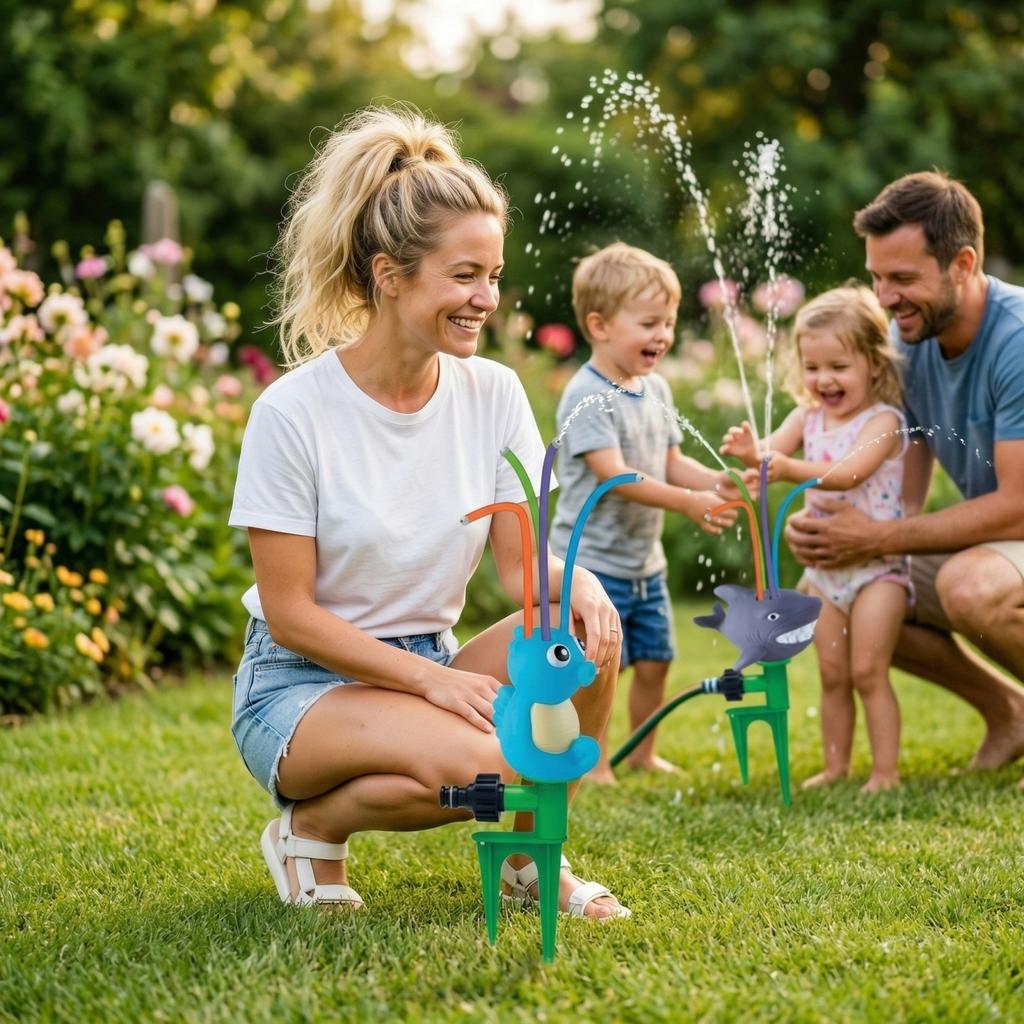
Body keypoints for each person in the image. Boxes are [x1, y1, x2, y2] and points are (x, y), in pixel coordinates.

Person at [228, 106, 631, 917]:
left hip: (426, 665)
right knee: (491, 765)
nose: (487, 297)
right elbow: (290, 612)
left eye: (493, 274)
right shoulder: (293, 412)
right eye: (464, 275)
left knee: (577, 640)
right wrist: (430, 684)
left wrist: (576, 582)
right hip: (299, 687)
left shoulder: (494, 393)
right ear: (388, 274)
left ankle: (528, 860)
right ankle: (311, 829)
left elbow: (524, 573)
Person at [785, 171, 1024, 787]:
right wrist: (837, 533)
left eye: (903, 279)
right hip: (1006, 538)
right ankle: (1007, 711)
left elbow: (1018, 508)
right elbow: (907, 448)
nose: (885, 298)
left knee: (967, 585)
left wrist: (881, 538)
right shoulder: (912, 338)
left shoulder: (1015, 341)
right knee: (856, 583)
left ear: (963, 264)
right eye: (876, 277)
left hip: (1016, 527)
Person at [548, 242, 742, 781]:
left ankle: (643, 752)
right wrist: (689, 504)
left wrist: (716, 482)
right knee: (596, 669)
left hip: (644, 565)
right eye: (649, 322)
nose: (662, 335)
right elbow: (613, 475)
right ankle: (593, 762)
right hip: (592, 565)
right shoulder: (586, 394)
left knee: (656, 662)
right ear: (600, 325)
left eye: (669, 323)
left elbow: (671, 460)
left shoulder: (653, 387)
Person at [722, 285, 910, 792]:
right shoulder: (807, 417)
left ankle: (886, 773)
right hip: (825, 573)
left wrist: (782, 466)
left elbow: (847, 474)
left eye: (838, 366)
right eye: (812, 366)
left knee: (868, 671)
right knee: (832, 673)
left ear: (873, 363)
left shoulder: (885, 422)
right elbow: (769, 454)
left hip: (878, 571)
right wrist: (748, 455)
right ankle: (836, 766)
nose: (823, 379)